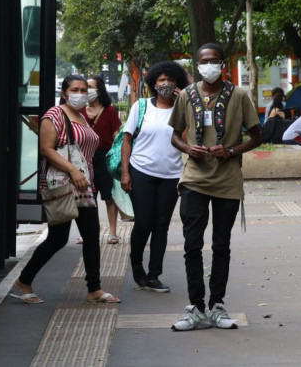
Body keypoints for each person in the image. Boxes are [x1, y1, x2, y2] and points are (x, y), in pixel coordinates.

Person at [168, 43, 261, 331]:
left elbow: (257, 136)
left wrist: (231, 151)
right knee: (192, 244)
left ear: (223, 64)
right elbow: (174, 136)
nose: (209, 65)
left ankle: (217, 305)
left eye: (214, 61)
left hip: (227, 180)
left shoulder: (240, 95)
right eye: (203, 61)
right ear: (197, 64)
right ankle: (195, 306)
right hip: (194, 178)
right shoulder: (186, 95)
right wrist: (188, 148)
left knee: (222, 245)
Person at [13, 75, 120, 304]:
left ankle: (95, 290)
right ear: (64, 93)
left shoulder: (81, 116)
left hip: (84, 185)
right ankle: (24, 280)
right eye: (75, 89)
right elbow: (47, 149)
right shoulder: (54, 115)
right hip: (64, 184)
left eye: (84, 89)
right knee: (58, 239)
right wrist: (73, 171)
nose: (81, 93)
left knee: (91, 236)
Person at [121, 61, 188, 293]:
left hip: (171, 175)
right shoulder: (140, 107)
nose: (166, 84)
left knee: (162, 226)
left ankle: (153, 275)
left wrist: (184, 104)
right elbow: (127, 140)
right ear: (154, 83)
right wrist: (125, 173)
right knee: (143, 223)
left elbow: (188, 142)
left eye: (171, 80)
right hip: (141, 171)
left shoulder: (183, 108)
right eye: (161, 80)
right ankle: (136, 261)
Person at [83, 75, 122, 244]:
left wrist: (120, 155)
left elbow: (116, 135)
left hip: (104, 158)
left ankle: (112, 232)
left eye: (90, 87)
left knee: (109, 197)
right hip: (85, 158)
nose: (87, 91)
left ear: (99, 90)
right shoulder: (80, 111)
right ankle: (88, 234)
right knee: (87, 198)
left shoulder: (110, 111)